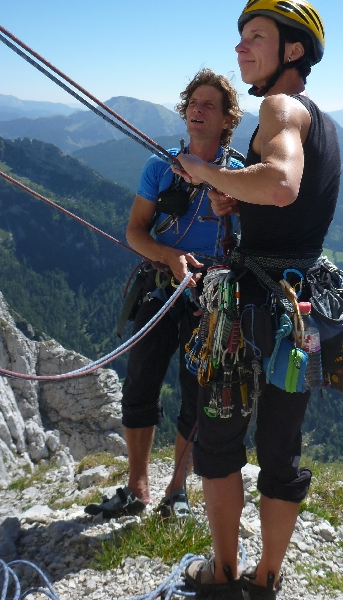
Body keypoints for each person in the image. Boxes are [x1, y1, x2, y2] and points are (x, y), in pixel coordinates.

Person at [175, 0, 341, 599]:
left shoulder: (277, 105)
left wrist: (211, 174)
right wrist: (232, 197)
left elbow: (281, 182)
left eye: (256, 36)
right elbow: (276, 198)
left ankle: (223, 575)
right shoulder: (316, 116)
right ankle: (266, 580)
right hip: (300, 315)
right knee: (279, 446)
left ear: (292, 51)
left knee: (219, 440)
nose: (240, 46)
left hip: (248, 311)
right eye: (240, 35)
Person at [113, 68, 244, 519]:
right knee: (140, 384)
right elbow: (134, 231)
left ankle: (176, 489)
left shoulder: (241, 175)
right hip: (163, 286)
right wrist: (169, 256)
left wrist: (235, 205)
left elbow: (256, 241)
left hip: (210, 293)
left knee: (196, 393)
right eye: (193, 102)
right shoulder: (160, 167)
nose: (197, 109)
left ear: (228, 119)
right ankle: (138, 486)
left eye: (210, 104)